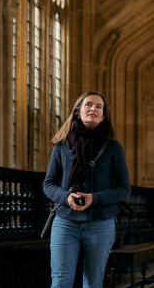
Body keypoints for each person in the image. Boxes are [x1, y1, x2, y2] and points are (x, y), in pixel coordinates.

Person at [43, 90, 131, 288]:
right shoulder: (62, 145)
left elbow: (124, 189)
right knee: (60, 282)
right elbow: (48, 184)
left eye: (99, 107)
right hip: (65, 222)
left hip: (100, 223)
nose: (93, 109)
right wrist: (66, 197)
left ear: (103, 116)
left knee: (93, 283)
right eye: (88, 105)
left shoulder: (113, 148)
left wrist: (94, 198)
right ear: (78, 111)